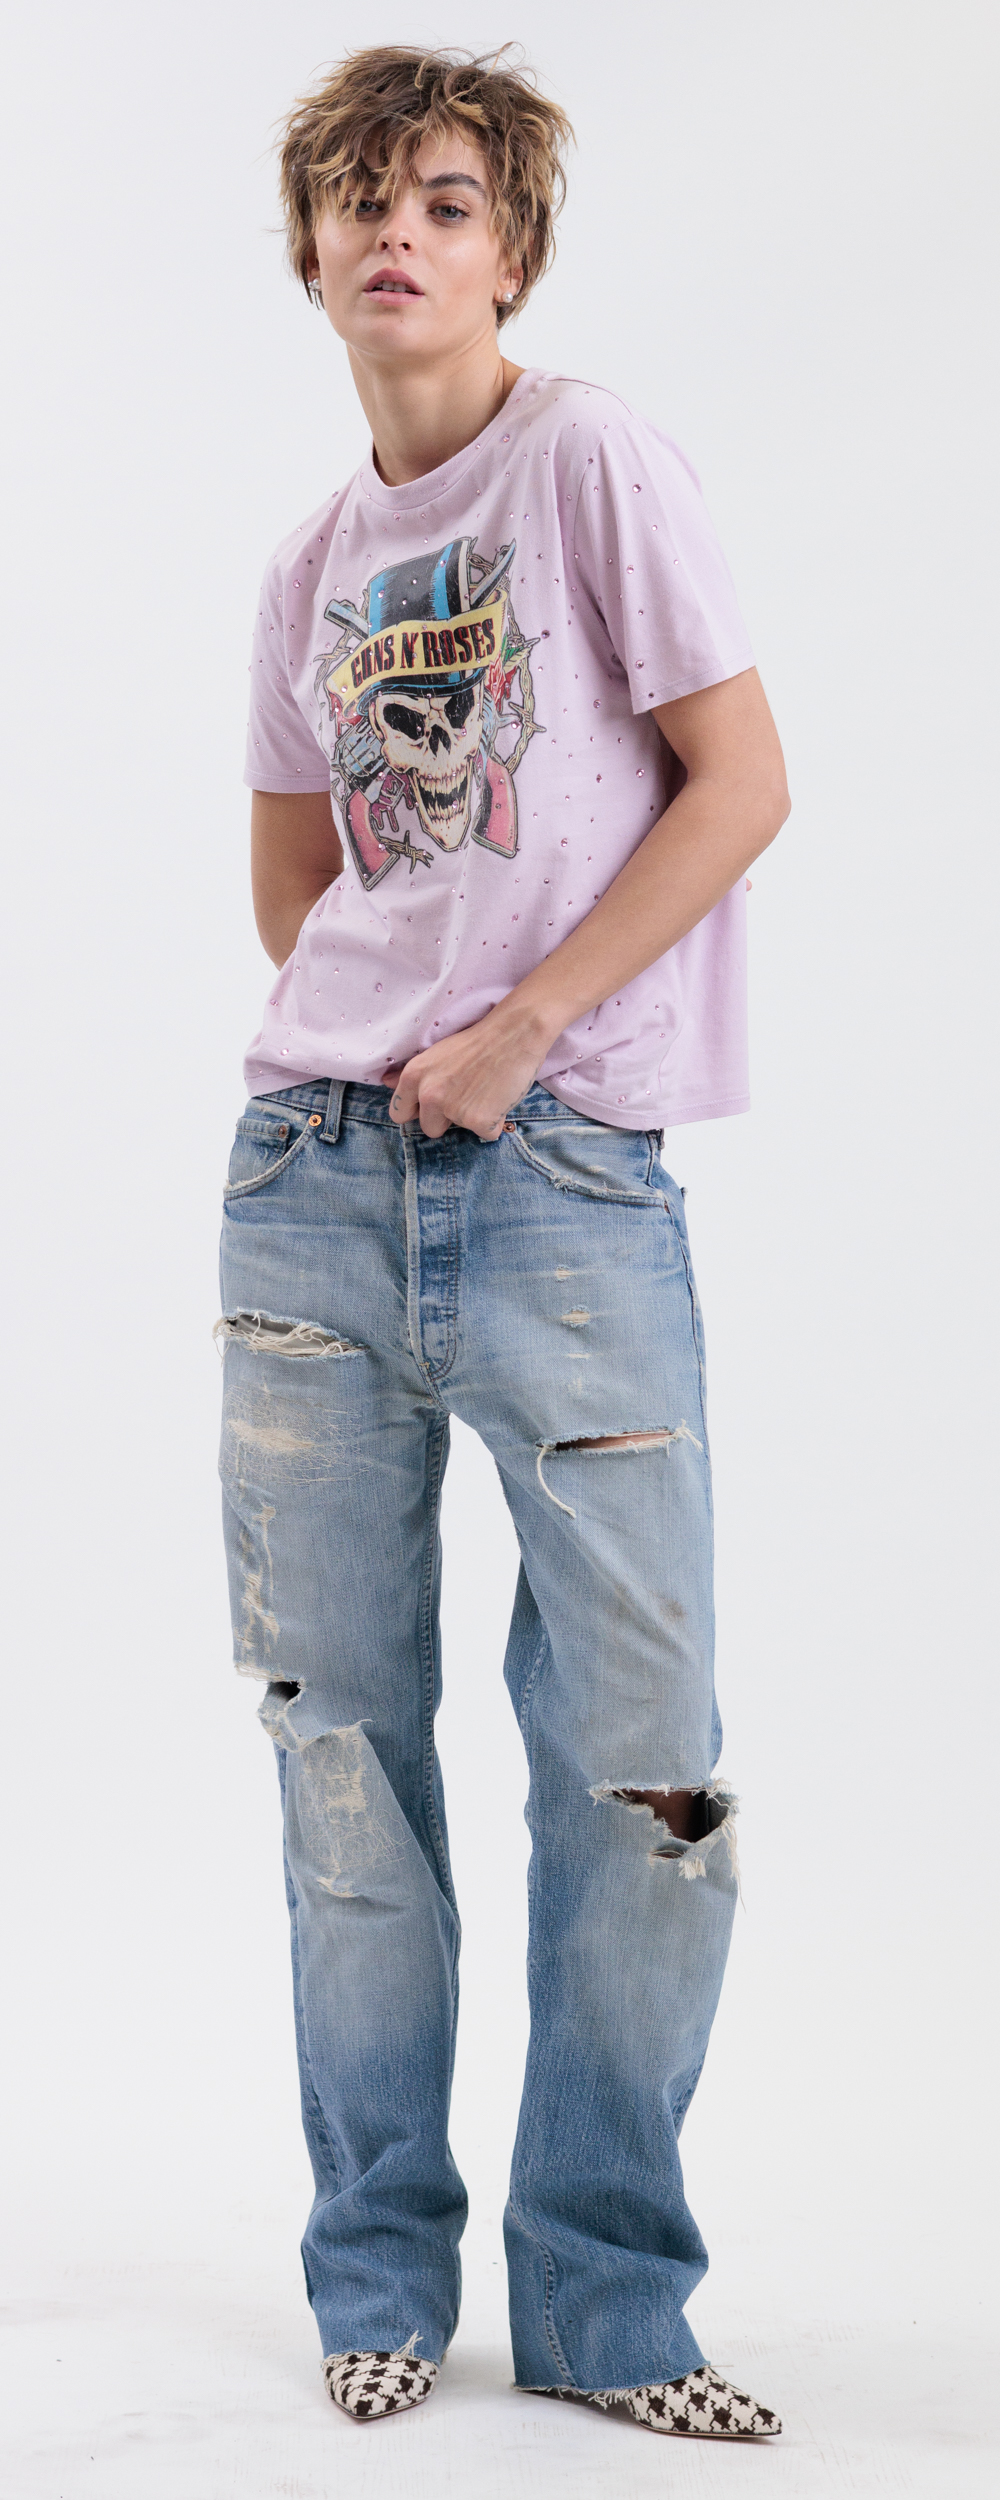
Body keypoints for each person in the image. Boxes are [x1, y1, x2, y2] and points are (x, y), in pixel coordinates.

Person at [219, 43, 790, 2439]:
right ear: (311, 253)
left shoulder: (589, 463)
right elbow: (297, 876)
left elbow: (740, 782)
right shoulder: (308, 566)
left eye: (446, 200)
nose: (400, 232)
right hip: (310, 1190)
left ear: (510, 252)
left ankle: (606, 2297)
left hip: (562, 1182)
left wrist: (523, 1025)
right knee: (341, 1758)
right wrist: (390, 1030)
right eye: (363, 201)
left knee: (642, 1762)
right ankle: (376, 2270)